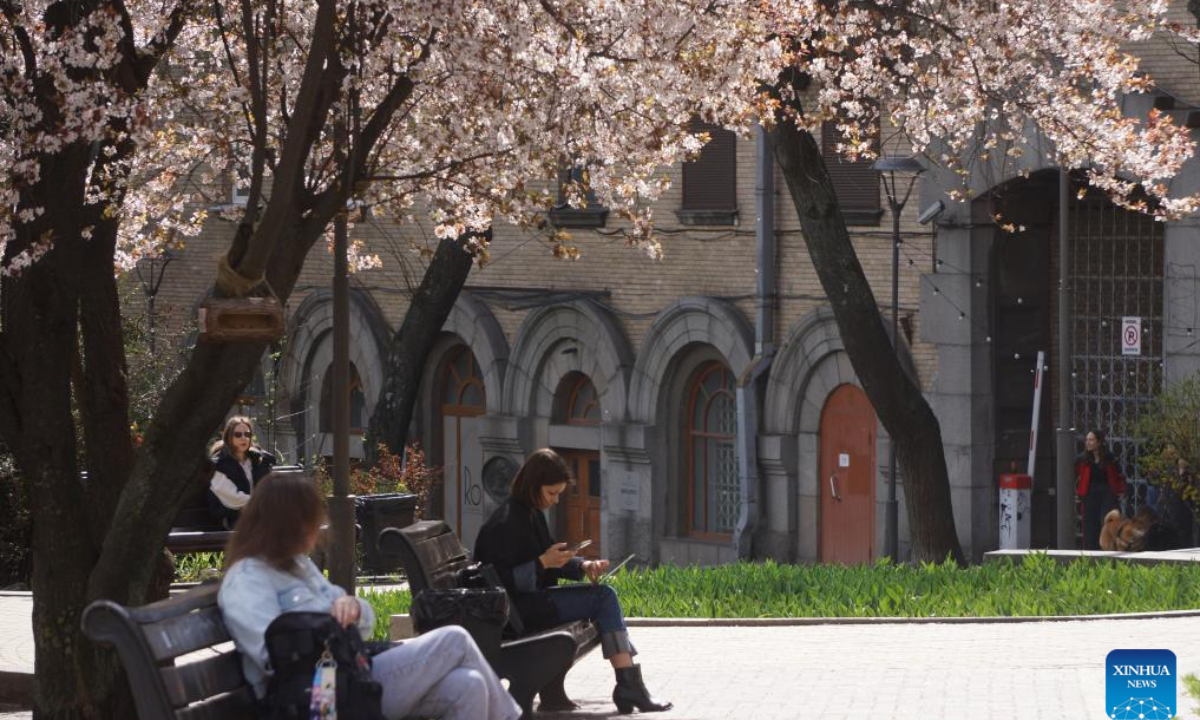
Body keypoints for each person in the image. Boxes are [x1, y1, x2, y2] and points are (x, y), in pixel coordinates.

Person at [218, 472, 521, 720]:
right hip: (319, 700)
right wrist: (327, 624)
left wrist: (351, 607)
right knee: (454, 638)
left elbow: (362, 623)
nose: (318, 529)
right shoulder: (246, 581)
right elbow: (270, 657)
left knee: (469, 686)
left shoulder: (297, 565)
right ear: (289, 524)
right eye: (311, 520)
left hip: (349, 677)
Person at [474, 448, 672, 715]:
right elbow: (503, 582)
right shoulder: (506, 522)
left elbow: (550, 557)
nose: (555, 500)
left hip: (528, 603)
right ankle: (628, 685)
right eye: (551, 493)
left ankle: (626, 685)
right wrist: (542, 563)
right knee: (604, 598)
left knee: (603, 595)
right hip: (516, 611)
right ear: (533, 485)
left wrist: (584, 565)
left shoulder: (528, 513)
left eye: (558, 494)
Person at [207, 416, 275, 529]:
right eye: (238, 435)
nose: (243, 438)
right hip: (231, 521)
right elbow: (233, 498)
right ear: (229, 437)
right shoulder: (218, 465)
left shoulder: (259, 461)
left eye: (247, 434)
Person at [1075, 429, 1128, 550]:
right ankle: (1092, 553)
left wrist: (1121, 491)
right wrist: (1079, 491)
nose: (1088, 442)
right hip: (1090, 495)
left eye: (1091, 440)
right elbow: (1078, 477)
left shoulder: (1109, 458)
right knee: (1090, 527)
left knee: (1106, 522)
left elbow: (1117, 475)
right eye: (1087, 440)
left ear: (1099, 442)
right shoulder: (1082, 459)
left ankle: (1108, 549)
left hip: (1106, 494)